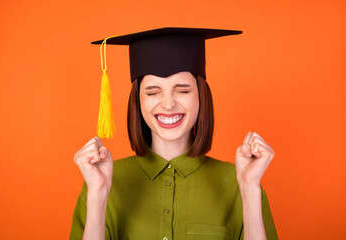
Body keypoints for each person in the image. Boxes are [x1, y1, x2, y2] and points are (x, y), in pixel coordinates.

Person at [70, 27, 278, 240]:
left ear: (201, 96)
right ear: (137, 101)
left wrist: (250, 189)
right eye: (152, 92)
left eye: (183, 90)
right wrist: (97, 195)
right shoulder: (103, 181)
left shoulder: (239, 182)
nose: (168, 104)